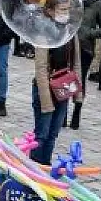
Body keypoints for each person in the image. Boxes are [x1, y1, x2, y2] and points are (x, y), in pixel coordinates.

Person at [30, 34, 81, 165]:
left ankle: (45, 166)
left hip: (62, 86)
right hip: (44, 88)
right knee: (42, 133)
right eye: (60, 11)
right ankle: (33, 168)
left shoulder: (71, 34)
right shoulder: (44, 33)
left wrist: (78, 94)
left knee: (53, 133)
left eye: (65, 11)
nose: (63, 13)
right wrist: (46, 102)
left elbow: (76, 65)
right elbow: (40, 69)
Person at [71, 0, 101, 130]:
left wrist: (89, 33)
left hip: (85, 47)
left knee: (80, 80)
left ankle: (76, 113)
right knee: (66, 78)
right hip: (69, 45)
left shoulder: (98, 4)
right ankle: (62, 114)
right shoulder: (73, 0)